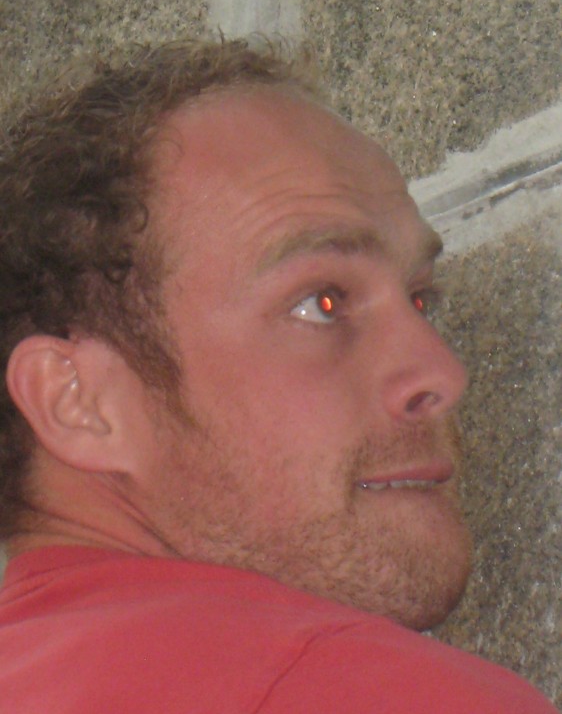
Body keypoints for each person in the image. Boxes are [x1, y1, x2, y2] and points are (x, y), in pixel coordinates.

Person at [0, 38, 556, 713]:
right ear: (78, 403)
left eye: (420, 298)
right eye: (321, 303)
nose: (442, 372)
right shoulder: (367, 691)